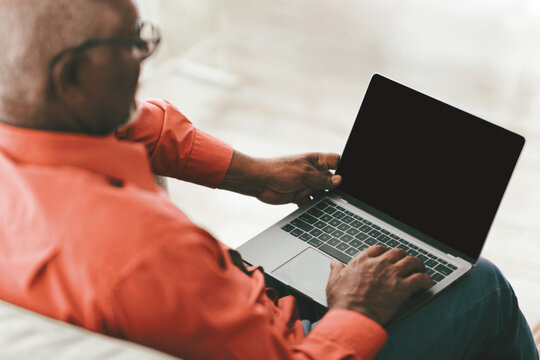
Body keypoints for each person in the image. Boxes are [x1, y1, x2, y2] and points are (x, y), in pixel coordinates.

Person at [0, 1, 537, 359]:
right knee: (484, 286)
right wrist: (356, 310)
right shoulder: (147, 249)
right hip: (291, 342)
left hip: (218, 304)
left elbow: (138, 125)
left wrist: (255, 175)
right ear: (71, 77)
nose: (143, 59)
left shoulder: (26, 127)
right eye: (133, 45)